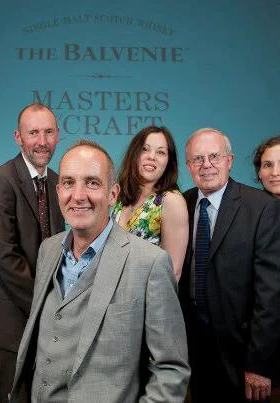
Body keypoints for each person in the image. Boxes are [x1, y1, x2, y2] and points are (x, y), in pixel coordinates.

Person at [10, 140, 190, 403]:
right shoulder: (48, 250)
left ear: (113, 194)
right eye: (68, 183)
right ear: (58, 191)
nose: (78, 195)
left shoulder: (150, 263)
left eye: (92, 183)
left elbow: (171, 369)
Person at [179, 128, 280, 402]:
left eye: (214, 156)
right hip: (193, 349)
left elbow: (269, 294)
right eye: (197, 159)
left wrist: (259, 363)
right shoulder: (182, 204)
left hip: (241, 352)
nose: (206, 165)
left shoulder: (262, 207)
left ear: (230, 160)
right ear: (188, 166)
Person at [0, 103, 64, 403]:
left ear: (57, 136)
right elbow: (4, 257)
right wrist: (44, 307)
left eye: (49, 132)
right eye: (33, 133)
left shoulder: (58, 182)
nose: (42, 141)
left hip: (51, 314)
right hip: (12, 313)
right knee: (12, 395)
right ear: (18, 137)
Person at [112, 126, 188, 280]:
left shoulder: (171, 200)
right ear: (134, 154)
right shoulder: (122, 198)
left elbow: (172, 272)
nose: (151, 157)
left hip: (147, 294)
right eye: (145, 149)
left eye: (160, 152)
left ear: (169, 162)